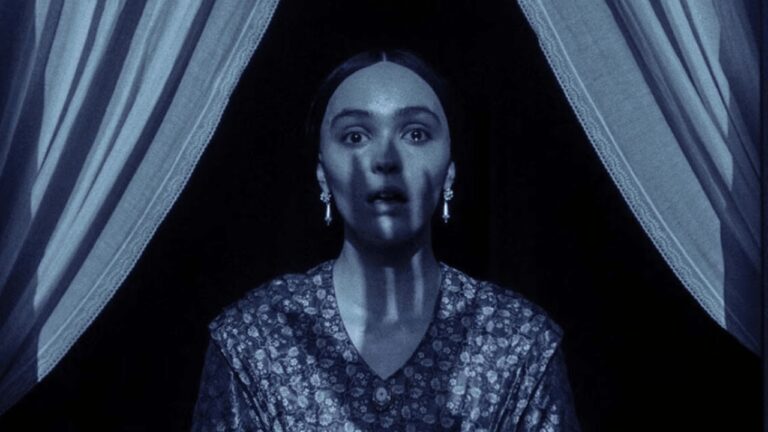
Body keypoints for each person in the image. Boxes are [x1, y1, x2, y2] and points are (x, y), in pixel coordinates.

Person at [191, 49, 580, 431]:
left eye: (415, 134)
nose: (386, 159)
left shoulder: (517, 340)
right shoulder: (256, 336)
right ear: (322, 173)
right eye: (355, 136)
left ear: (450, 170)